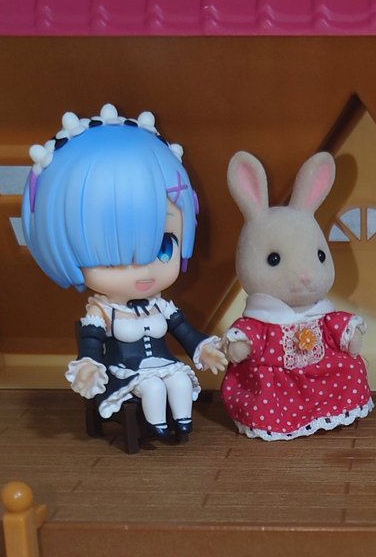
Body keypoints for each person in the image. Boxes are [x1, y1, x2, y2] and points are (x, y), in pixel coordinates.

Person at [21, 105, 225, 443]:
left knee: (177, 380)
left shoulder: (161, 305)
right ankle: (157, 427)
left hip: (164, 365)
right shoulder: (102, 311)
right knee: (152, 388)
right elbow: (91, 344)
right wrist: (88, 366)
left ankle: (182, 424)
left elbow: (185, 333)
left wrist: (202, 348)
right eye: (111, 259)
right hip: (125, 373)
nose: (142, 271)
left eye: (163, 247)